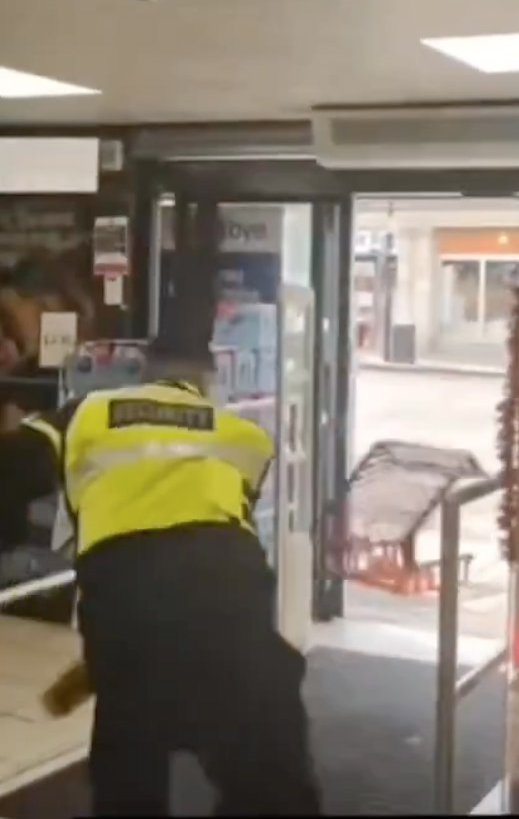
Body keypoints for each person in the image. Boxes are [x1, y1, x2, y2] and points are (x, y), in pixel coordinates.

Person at [0, 336, 321, 816]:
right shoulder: (240, 434)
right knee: (269, 771)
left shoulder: (90, 413)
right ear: (207, 384)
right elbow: (205, 541)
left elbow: (18, 462)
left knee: (129, 759)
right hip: (231, 608)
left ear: (143, 375)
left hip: (125, 610)